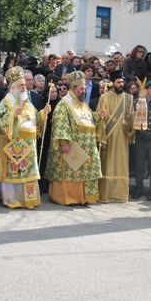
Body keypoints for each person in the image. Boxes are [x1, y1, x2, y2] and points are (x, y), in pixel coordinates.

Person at [0, 67, 50, 209]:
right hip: (13, 144)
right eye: (21, 85)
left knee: (27, 172)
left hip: (29, 144)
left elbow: (34, 118)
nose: (25, 87)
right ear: (13, 87)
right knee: (14, 173)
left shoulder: (27, 102)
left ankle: (28, 199)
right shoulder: (7, 101)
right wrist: (13, 115)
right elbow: (0, 121)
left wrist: (43, 113)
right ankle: (12, 199)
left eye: (25, 84)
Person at [45, 70, 105, 205]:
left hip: (87, 146)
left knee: (83, 172)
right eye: (81, 88)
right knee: (71, 171)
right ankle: (70, 198)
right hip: (72, 146)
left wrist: (98, 116)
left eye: (84, 88)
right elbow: (61, 124)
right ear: (73, 88)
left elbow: (88, 119)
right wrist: (64, 142)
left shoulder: (83, 104)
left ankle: (84, 197)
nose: (83, 91)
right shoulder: (64, 104)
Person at [97, 71, 134, 203]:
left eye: (122, 82)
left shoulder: (129, 98)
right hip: (108, 137)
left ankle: (120, 195)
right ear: (113, 83)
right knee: (107, 165)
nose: (121, 84)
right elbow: (99, 121)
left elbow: (131, 118)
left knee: (121, 164)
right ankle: (106, 195)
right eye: (118, 82)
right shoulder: (104, 98)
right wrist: (102, 138)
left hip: (123, 137)